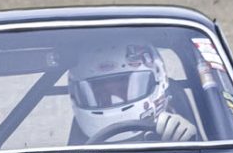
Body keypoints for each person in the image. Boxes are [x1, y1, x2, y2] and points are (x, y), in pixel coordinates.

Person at [68, 43, 196, 144]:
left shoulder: (176, 130)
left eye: (122, 89)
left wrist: (185, 140)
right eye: (101, 94)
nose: (114, 99)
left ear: (158, 81)